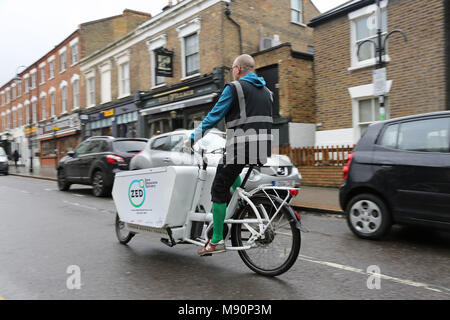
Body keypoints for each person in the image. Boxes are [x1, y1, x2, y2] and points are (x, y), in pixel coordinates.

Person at [185, 54, 273, 256]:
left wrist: (192, 139)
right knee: (231, 174)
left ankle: (215, 241)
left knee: (218, 188)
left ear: (238, 69)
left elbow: (214, 116)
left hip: (240, 146)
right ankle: (240, 204)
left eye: (233, 69)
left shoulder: (235, 88)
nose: (233, 72)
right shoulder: (267, 92)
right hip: (262, 147)